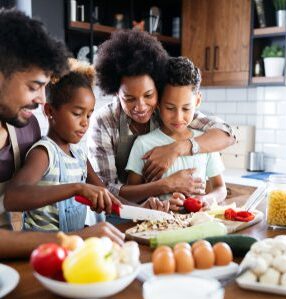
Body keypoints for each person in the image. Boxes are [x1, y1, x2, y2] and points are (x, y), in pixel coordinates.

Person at [0, 9, 124, 258]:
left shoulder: (25, 129)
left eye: (45, 87)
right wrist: (75, 239)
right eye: (34, 87)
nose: (41, 99)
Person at [88, 30, 234, 207]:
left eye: (148, 95)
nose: (141, 107)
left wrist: (176, 148)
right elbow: (106, 190)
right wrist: (165, 185)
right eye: (129, 98)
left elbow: (227, 134)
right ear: (115, 92)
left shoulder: (168, 110)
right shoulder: (104, 122)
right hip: (117, 214)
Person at [4, 59, 122, 232]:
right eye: (77, 113)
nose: (85, 123)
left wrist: (145, 209)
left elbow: (107, 196)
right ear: (50, 111)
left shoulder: (80, 156)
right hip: (39, 248)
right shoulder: (44, 153)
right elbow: (12, 197)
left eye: (89, 115)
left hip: (70, 245)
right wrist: (76, 188)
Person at [126, 57, 227, 210]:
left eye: (186, 108)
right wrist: (158, 203)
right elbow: (129, 195)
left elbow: (220, 188)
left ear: (198, 101)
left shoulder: (204, 142)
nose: (178, 117)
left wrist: (207, 199)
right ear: (158, 103)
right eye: (170, 108)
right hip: (157, 227)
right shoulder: (143, 144)